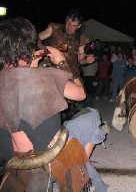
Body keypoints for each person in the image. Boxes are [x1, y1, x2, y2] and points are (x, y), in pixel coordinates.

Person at [0, 18, 107, 192]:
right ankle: (76, 177)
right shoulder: (45, 76)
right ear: (29, 47)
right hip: (48, 157)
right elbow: (80, 94)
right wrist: (61, 62)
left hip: (12, 160)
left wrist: (31, 67)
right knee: (92, 115)